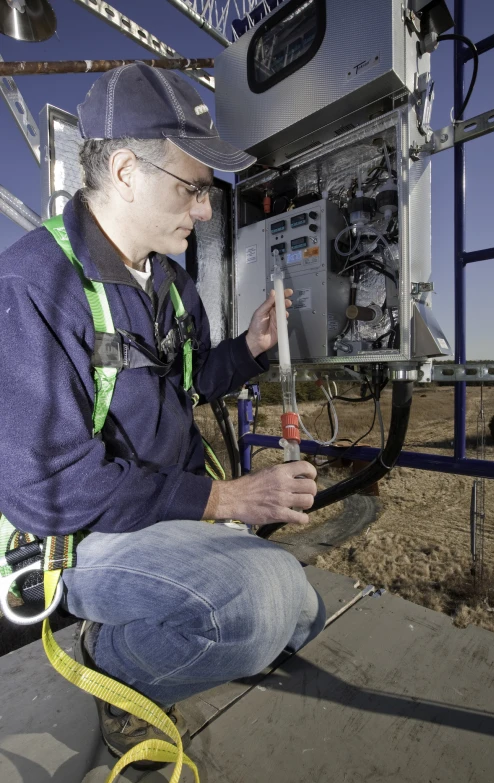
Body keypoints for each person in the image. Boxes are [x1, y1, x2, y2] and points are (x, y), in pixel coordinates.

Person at [0, 63, 325, 762]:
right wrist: (222, 496)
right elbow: (45, 488)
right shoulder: (34, 284)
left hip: (168, 513)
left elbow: (191, 377)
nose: (207, 211)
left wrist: (250, 347)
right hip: (88, 536)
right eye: (193, 188)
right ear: (124, 170)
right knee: (257, 609)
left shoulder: (174, 284)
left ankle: (211, 620)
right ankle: (114, 665)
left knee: (304, 611)